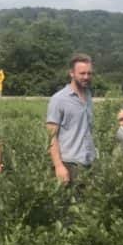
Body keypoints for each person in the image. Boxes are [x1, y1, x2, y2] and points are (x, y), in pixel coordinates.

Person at [46, 54, 97, 185]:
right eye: (82, 73)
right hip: (69, 164)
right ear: (72, 73)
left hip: (88, 162)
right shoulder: (59, 99)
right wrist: (58, 166)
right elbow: (51, 136)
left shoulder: (89, 96)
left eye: (89, 73)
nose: (86, 77)